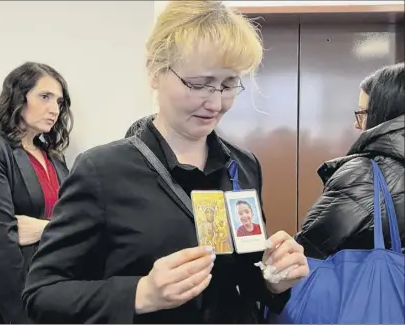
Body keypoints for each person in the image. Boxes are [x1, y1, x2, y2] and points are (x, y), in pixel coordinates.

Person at [22, 2, 309, 323]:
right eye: (198, 84)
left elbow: (246, 276)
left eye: (229, 84)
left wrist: (274, 280)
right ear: (156, 71)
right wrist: (140, 294)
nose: (215, 102)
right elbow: (42, 293)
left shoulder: (242, 165)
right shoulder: (102, 171)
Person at [0, 61, 73, 324]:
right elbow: (0, 242)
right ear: (18, 97)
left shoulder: (55, 159)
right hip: (12, 297)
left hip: (56, 286)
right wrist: (20, 316)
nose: (54, 109)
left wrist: (43, 228)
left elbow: (75, 223)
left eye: (58, 102)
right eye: (44, 97)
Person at [296, 62, 405, 259]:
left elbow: (309, 250)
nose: (357, 124)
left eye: (362, 113)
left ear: (383, 114)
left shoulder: (365, 176)